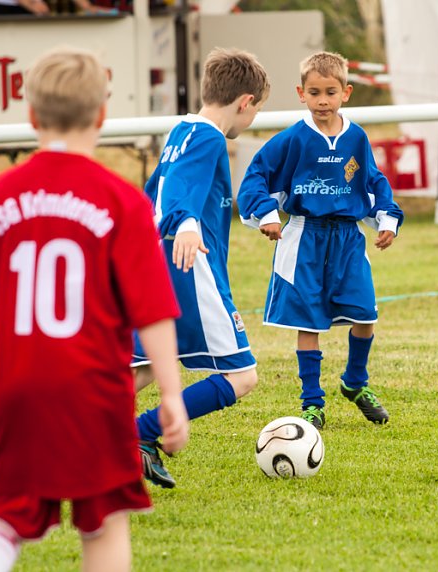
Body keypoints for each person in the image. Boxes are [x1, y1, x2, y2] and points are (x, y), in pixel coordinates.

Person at [0, 47, 189, 571]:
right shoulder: (121, 201)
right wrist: (171, 393)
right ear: (101, 115)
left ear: (31, 115)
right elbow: (153, 311)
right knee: (103, 524)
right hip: (92, 391)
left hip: (12, 387)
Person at [237, 51, 403, 431]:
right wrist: (267, 214)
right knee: (309, 323)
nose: (323, 100)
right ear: (301, 94)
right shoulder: (292, 139)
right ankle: (312, 403)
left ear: (346, 93)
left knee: (365, 315)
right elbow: (257, 175)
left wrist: (387, 219)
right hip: (304, 237)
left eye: (330, 92)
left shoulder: (356, 137)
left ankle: (355, 381)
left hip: (347, 240)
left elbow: (373, 181)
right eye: (314, 93)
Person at [132, 47, 270, 488]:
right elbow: (177, 192)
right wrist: (187, 224)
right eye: (256, 110)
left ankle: (56, 433)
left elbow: (155, 190)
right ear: (245, 102)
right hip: (190, 266)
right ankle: (138, 434)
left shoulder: (181, 130)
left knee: (143, 366)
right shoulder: (209, 137)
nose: (252, 119)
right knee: (241, 376)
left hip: (158, 262)